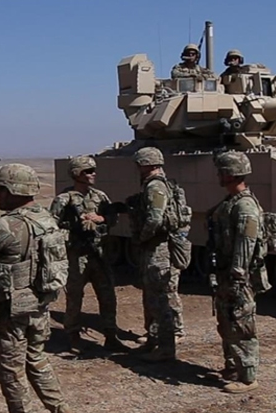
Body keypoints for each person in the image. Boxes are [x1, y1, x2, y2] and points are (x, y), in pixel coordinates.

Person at [0, 163, 78, 413]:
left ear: (14, 191)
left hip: (9, 308)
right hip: (39, 303)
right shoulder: (46, 219)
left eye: (2, 189)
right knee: (36, 358)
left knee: (9, 368)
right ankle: (62, 412)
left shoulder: (6, 225)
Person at [49, 155, 127, 353]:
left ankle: (111, 335)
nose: (93, 174)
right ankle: (73, 335)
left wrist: (101, 218)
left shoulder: (100, 196)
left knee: (108, 296)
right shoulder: (64, 199)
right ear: (76, 174)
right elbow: (51, 227)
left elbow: (113, 218)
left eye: (93, 171)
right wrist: (74, 228)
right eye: (88, 171)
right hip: (77, 256)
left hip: (99, 254)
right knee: (75, 297)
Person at [208, 151, 262, 393]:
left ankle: (248, 378)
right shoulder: (230, 202)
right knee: (227, 322)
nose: (218, 176)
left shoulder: (244, 206)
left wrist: (237, 276)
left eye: (221, 172)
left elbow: (245, 244)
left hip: (237, 277)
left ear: (230, 174)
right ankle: (232, 366)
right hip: (225, 272)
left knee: (241, 325)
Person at [126, 147, 185, 362]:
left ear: (146, 164)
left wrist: (142, 237)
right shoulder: (158, 184)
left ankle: (166, 347)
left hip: (158, 247)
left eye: (139, 164)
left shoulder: (155, 186)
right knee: (151, 295)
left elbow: (155, 219)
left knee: (160, 298)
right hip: (155, 246)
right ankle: (153, 339)